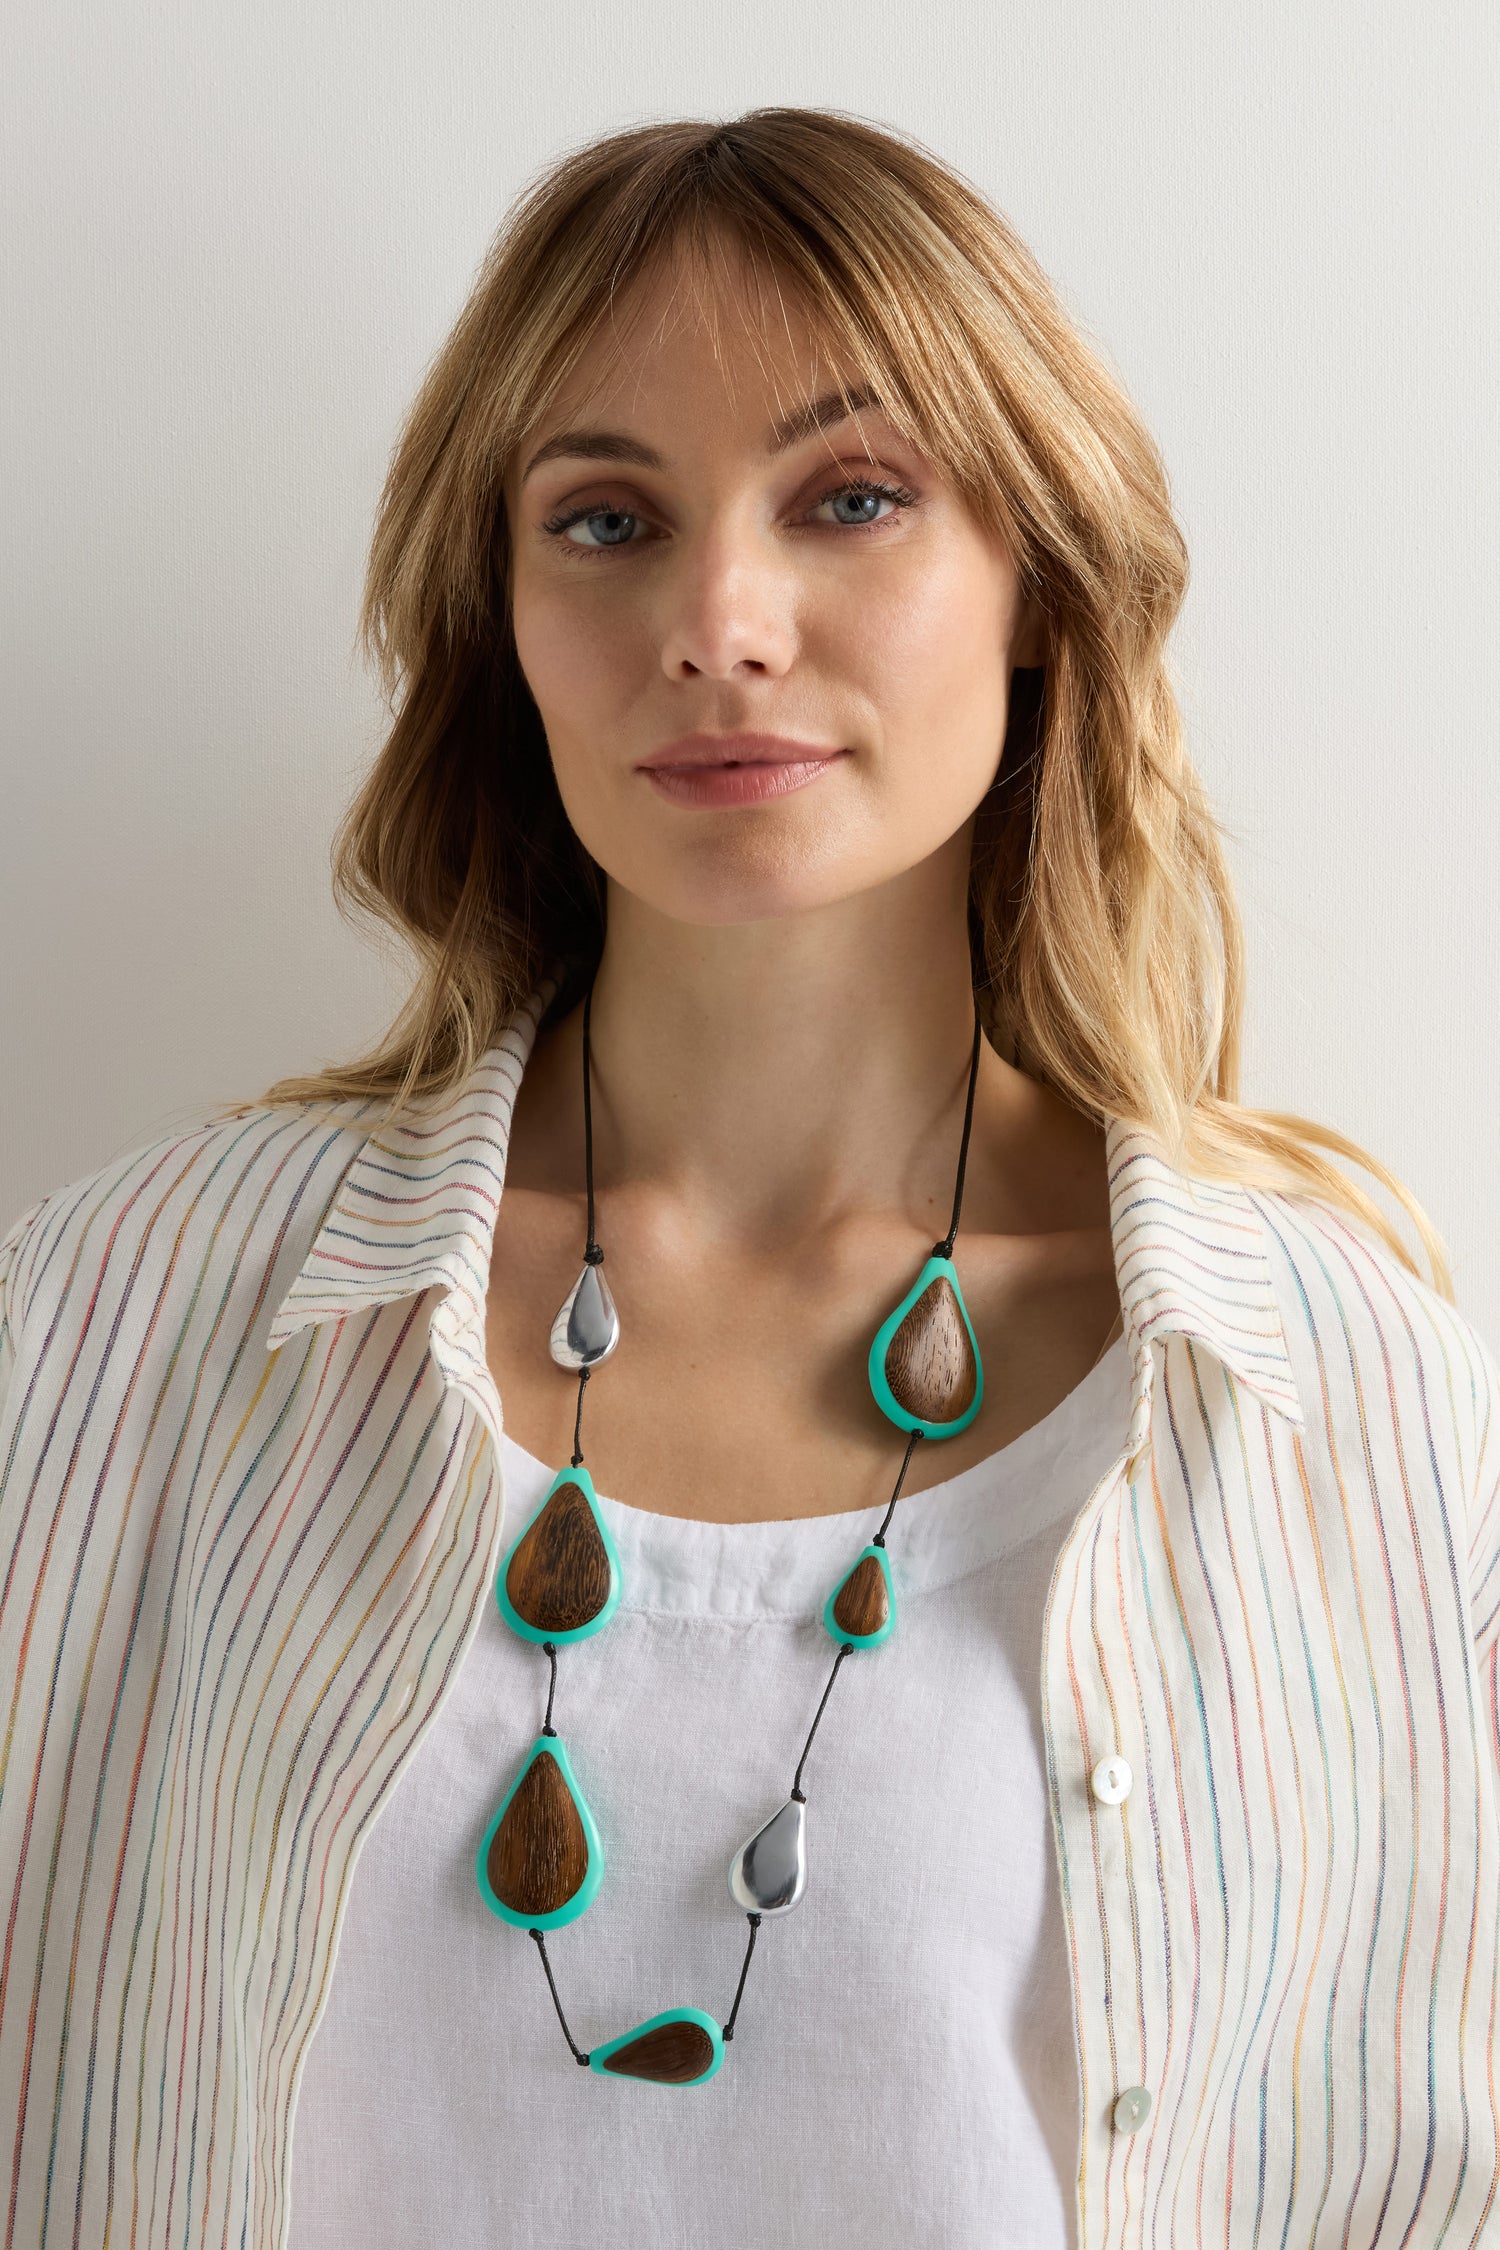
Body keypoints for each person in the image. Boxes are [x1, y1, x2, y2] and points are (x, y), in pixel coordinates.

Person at [1, 107, 1496, 2250]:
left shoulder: (1350, 1418)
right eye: (604, 519)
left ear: (1043, 592)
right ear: (500, 621)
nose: (718, 618)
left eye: (853, 496)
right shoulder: (121, 1330)